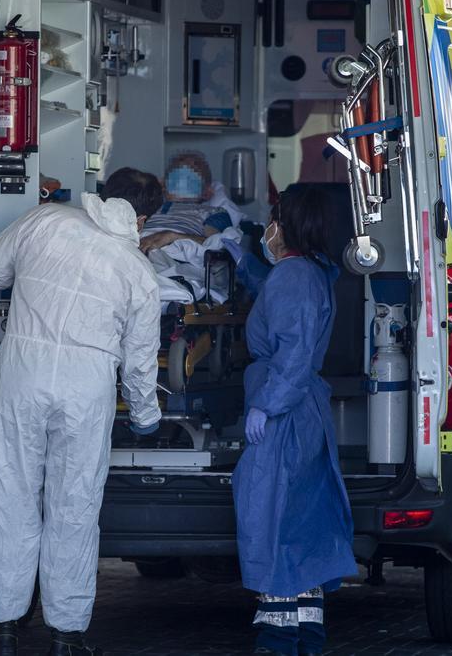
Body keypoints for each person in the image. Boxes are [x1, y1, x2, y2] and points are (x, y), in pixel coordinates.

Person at [0, 168, 165, 656]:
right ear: (141, 218)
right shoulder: (137, 269)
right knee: (74, 507)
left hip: (22, 374)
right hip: (87, 388)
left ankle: (3, 632)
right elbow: (141, 362)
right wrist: (146, 418)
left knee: (8, 496)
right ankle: (66, 635)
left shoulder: (45, 220)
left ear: (102, 196)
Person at [226, 187, 358, 656]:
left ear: (287, 224)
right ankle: (306, 636)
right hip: (301, 410)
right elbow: (280, 302)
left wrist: (269, 403)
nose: (269, 225)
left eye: (273, 217)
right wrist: (243, 260)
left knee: (272, 516)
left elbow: (294, 351)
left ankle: (278, 639)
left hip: (286, 412)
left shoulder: (295, 276)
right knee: (300, 523)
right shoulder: (308, 272)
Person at [139, 151, 241, 254]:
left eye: (195, 168)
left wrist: (171, 236)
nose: (185, 170)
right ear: (163, 185)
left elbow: (212, 246)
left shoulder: (214, 212)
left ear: (207, 192)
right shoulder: (151, 206)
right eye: (177, 168)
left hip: (172, 256)